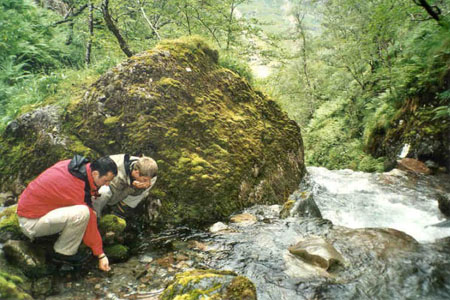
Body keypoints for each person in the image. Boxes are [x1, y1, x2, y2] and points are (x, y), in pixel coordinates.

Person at [16, 155, 118, 272]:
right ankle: (63, 253)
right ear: (95, 173)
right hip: (30, 223)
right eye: (106, 180)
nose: (107, 184)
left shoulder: (75, 167)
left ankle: (51, 238)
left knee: (88, 208)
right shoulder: (75, 185)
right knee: (83, 213)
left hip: (35, 210)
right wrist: (100, 254)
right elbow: (89, 219)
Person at [93, 154, 157, 218]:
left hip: (125, 190)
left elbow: (135, 194)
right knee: (104, 192)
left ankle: (122, 207)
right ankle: (95, 216)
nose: (147, 182)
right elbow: (112, 200)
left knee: (152, 180)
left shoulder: (148, 172)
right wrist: (132, 188)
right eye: (145, 179)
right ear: (136, 172)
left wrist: (139, 188)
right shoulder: (117, 170)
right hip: (106, 186)